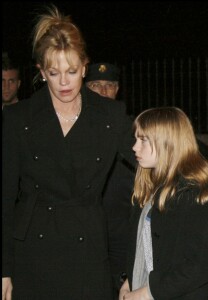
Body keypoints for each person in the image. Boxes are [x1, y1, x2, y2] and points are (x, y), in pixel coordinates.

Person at [2, 5, 135, 300]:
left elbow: (156, 159)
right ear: (41, 72)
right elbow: (5, 197)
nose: (64, 82)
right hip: (33, 254)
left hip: (88, 250)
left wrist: (201, 187)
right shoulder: (19, 119)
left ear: (85, 67)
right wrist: (4, 269)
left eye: (72, 71)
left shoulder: (110, 116)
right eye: (54, 72)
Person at [119, 107, 208, 300]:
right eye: (136, 139)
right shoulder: (150, 186)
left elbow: (200, 266)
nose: (134, 147)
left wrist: (148, 292)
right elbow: (145, 247)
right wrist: (130, 280)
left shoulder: (194, 192)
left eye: (143, 140)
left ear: (167, 143)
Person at [86, 62, 135, 299]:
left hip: (123, 236)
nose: (103, 92)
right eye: (96, 85)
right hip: (87, 235)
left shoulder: (132, 131)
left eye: (109, 86)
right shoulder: (74, 131)